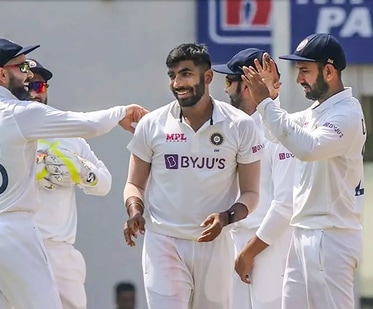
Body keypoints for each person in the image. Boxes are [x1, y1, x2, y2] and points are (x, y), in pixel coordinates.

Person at [0, 38, 147, 309]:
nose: (27, 74)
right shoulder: (16, 112)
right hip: (13, 231)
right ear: (2, 73)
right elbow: (87, 124)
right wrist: (122, 112)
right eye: (21, 67)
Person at [122, 43, 263, 309]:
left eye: (185, 74)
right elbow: (134, 184)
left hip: (216, 244)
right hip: (164, 241)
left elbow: (252, 193)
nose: (177, 83)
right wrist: (134, 211)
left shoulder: (240, 125)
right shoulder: (152, 124)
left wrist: (227, 217)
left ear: (207, 77)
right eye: (172, 75)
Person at [240, 33, 366, 309]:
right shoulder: (317, 112)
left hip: (332, 235)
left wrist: (264, 103)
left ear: (329, 71)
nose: (299, 79)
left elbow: (308, 147)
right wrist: (270, 98)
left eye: (305, 70)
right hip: (304, 232)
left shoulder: (346, 114)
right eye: (298, 71)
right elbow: (277, 134)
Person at [212, 48, 295, 309]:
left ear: (248, 85)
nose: (225, 90)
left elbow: (286, 204)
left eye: (229, 81)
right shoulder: (235, 129)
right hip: (236, 242)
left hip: (270, 246)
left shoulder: (282, 130)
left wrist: (250, 252)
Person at [27, 58, 112, 309]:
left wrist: (82, 172)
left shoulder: (67, 132)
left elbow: (104, 183)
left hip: (60, 250)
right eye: (29, 85)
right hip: (20, 245)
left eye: (40, 86)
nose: (34, 93)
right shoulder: (7, 131)